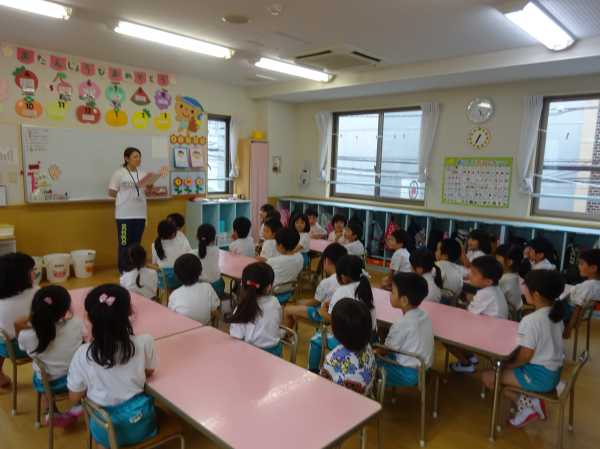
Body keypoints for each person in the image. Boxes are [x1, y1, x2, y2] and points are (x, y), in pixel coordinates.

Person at [68, 285, 158, 448]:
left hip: (106, 429)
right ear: (130, 312)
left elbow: (74, 397)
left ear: (89, 318)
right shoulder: (145, 341)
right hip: (143, 424)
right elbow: (149, 372)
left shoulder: (82, 354)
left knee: (102, 439)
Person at [482, 270, 565, 427]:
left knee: (489, 377)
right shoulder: (556, 315)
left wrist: (508, 365)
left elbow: (525, 355)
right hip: (553, 372)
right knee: (500, 371)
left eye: (526, 287)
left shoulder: (532, 320)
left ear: (536, 294)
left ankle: (527, 406)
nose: (523, 289)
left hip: (540, 376)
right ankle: (531, 401)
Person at [16, 286, 84, 427]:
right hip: (75, 379)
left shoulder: (27, 335)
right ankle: (79, 404)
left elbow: (22, 348)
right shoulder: (76, 323)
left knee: (40, 373)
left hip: (48, 384)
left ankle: (50, 411)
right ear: (65, 310)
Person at [308, 255, 375, 372]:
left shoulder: (342, 291)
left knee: (315, 340)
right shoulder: (365, 287)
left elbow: (333, 320)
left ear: (343, 277)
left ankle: (312, 371)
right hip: (367, 337)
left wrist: (322, 311)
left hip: (349, 340)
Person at [451, 255, 508, 373]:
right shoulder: (495, 289)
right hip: (498, 330)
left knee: (449, 336)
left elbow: (470, 314)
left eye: (474, 273)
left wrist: (466, 303)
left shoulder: (485, 293)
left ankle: (466, 364)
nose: (469, 275)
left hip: (489, 336)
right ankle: (470, 355)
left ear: (488, 281)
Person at [377, 272, 434, 387]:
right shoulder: (424, 315)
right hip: (423, 368)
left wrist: (373, 351)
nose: (390, 294)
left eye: (392, 292)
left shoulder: (402, 323)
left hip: (407, 373)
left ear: (404, 300)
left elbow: (386, 349)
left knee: (368, 364)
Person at [109, 147, 155, 273]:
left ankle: (135, 267)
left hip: (140, 215)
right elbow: (111, 192)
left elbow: (148, 193)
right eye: (135, 157)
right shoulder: (119, 173)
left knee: (136, 243)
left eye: (139, 157)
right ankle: (123, 269)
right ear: (126, 158)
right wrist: (124, 197)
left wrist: (150, 187)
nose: (138, 159)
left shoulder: (143, 174)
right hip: (124, 216)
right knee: (124, 243)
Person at [283, 243, 348, 329]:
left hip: (327, 316)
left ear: (327, 261)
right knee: (297, 312)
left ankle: (287, 335)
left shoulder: (326, 282)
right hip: (343, 315)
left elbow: (315, 302)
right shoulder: (348, 277)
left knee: (288, 309)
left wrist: (301, 302)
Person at [320, 298, 376, 395]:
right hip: (363, 399)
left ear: (336, 332)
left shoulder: (332, 360)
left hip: (337, 400)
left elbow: (321, 387)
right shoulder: (367, 347)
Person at [228, 263, 283, 356]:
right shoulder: (275, 302)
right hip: (275, 354)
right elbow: (278, 322)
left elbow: (236, 338)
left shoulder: (242, 307)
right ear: (269, 287)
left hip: (251, 355)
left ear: (242, 284)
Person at [0, 253, 36, 390]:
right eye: (31, 270)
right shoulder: (35, 294)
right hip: (28, 346)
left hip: (5, 346)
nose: (34, 273)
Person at [169, 254, 219, 325]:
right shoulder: (208, 287)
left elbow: (171, 315)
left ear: (177, 276)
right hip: (204, 327)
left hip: (182, 329)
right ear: (200, 271)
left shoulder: (174, 294)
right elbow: (214, 308)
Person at [563, 249, 600, 339]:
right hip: (578, 312)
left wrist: (569, 329)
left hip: (568, 312)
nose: (578, 266)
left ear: (593, 268)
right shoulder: (596, 285)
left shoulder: (587, 286)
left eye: (581, 264)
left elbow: (578, 308)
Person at [267, 228, 304, 304]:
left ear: (280, 246)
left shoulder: (272, 261)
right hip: (290, 289)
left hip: (273, 292)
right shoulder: (300, 257)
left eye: (276, 243)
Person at [196, 224, 224, 297]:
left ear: (197, 237)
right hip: (218, 287)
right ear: (214, 238)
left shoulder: (194, 253)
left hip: (203, 290)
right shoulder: (217, 250)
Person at [495, 244, 524, 315]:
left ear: (509, 262)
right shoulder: (517, 277)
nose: (495, 261)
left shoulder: (504, 280)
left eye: (498, 258)